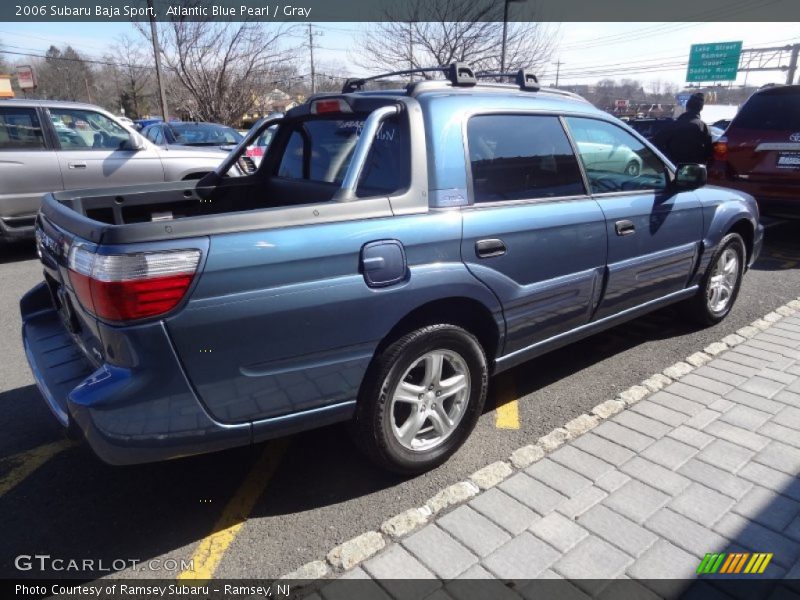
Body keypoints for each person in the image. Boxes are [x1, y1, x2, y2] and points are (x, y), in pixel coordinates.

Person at [654, 93, 714, 165]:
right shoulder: (705, 128)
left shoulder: (673, 126)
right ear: (701, 109)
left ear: (687, 107)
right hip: (695, 171)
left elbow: (656, 144)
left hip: (673, 168)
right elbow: (709, 153)